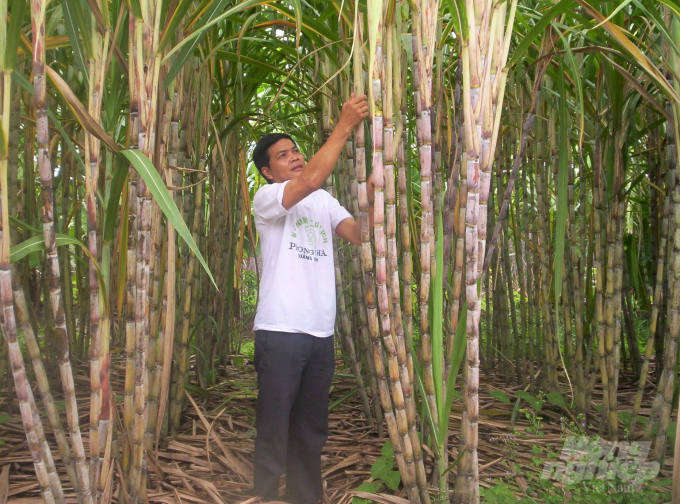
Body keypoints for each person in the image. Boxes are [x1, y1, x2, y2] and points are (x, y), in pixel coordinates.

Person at [250, 93, 371, 504]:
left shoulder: (322, 201)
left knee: (309, 429)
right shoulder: (268, 199)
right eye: (283, 156)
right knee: (273, 425)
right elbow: (310, 180)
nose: (295, 157)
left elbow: (356, 234)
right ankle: (264, 498)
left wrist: (375, 197)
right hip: (281, 330)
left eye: (296, 149)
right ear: (268, 172)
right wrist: (344, 126)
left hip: (320, 334)